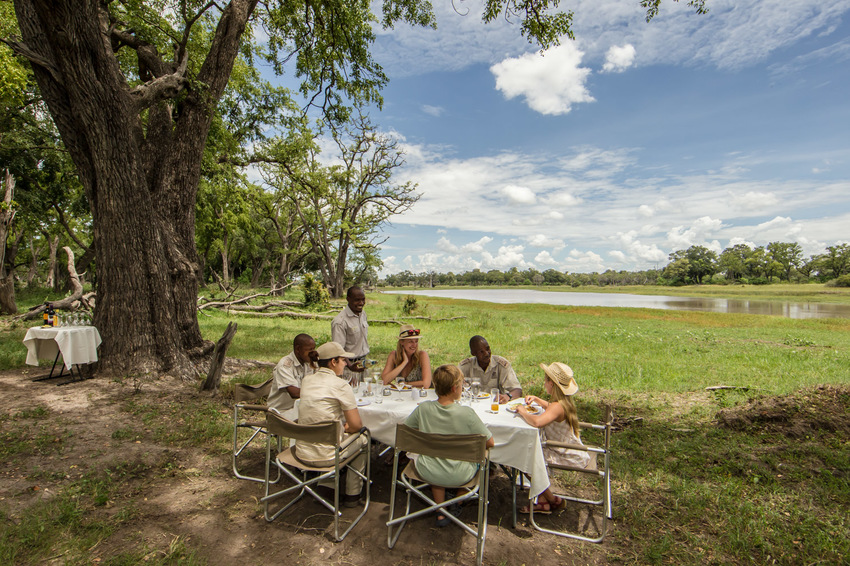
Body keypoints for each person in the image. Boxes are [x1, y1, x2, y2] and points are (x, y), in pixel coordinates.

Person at [404, 365, 495, 527]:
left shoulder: (423, 409)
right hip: (461, 474)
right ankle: (457, 502)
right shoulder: (467, 414)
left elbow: (407, 431)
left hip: (427, 470)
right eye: (461, 385)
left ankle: (441, 510)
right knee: (484, 459)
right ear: (455, 389)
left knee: (434, 457)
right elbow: (490, 442)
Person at [295, 341, 369, 507]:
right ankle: (353, 494)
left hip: (302, 451)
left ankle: (327, 487)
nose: (346, 364)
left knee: (334, 435)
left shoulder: (307, 380)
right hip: (327, 456)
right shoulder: (340, 385)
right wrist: (348, 428)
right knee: (364, 437)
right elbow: (356, 425)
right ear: (333, 362)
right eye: (343, 360)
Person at [515, 361, 591, 514]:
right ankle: (543, 503)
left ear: (551, 383)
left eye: (545, 381)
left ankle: (551, 499)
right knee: (531, 453)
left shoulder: (557, 407)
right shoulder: (563, 402)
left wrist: (522, 411)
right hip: (570, 449)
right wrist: (537, 399)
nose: (544, 383)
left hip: (566, 454)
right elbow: (550, 409)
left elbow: (537, 422)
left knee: (524, 457)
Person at [458, 335, 522, 403]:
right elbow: (451, 386)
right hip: (473, 404)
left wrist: (507, 396)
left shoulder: (501, 365)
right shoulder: (465, 366)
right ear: (473, 353)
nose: (486, 353)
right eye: (481, 352)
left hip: (495, 404)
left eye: (488, 349)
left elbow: (517, 390)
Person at [268, 333, 316, 419]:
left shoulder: (308, 362)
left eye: (314, 349)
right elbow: (295, 393)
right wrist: (320, 393)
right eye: (310, 350)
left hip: (300, 408)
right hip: (281, 412)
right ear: (298, 349)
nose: (313, 353)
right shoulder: (285, 365)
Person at [331, 286, 369, 385]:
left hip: (363, 364)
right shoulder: (340, 322)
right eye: (357, 300)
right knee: (352, 395)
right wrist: (350, 365)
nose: (361, 303)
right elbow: (338, 349)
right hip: (349, 367)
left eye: (363, 299)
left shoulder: (362, 314)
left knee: (366, 395)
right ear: (348, 299)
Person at [380, 324, 432, 388]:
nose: (414, 345)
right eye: (410, 342)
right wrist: (404, 362)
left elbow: (426, 384)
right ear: (402, 342)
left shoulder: (422, 355)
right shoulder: (394, 355)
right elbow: (384, 381)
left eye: (416, 341)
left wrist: (405, 384)